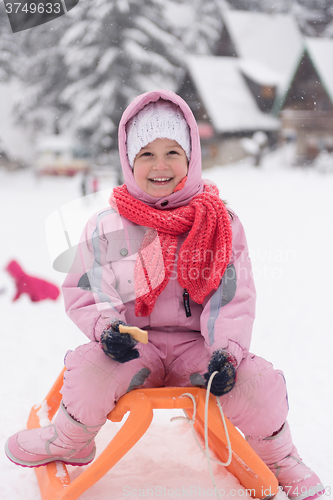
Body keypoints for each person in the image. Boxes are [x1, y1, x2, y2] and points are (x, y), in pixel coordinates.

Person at [5, 90, 324, 499]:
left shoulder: (220, 222)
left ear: (191, 157)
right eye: (146, 154)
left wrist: (226, 351)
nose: (160, 166)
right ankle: (71, 438)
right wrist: (107, 331)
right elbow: (89, 287)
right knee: (87, 371)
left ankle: (280, 457)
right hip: (134, 347)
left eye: (172, 152)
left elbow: (234, 294)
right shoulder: (107, 225)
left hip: (199, 348)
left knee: (260, 383)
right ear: (128, 160)